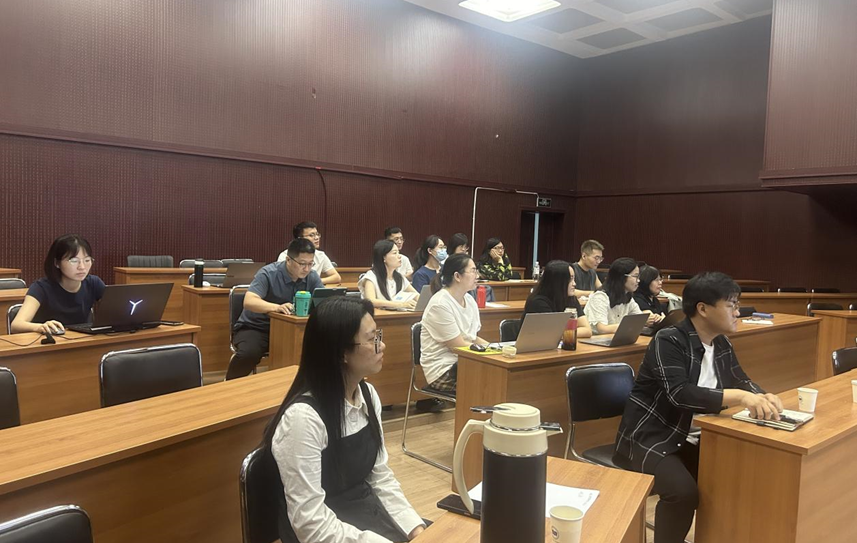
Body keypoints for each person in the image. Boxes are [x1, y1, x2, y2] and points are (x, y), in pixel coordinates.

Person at [613, 272, 783, 543]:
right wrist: (741, 397)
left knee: (739, 477)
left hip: (697, 436)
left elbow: (740, 380)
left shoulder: (721, 342)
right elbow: (680, 394)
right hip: (654, 435)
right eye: (731, 305)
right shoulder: (668, 340)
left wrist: (762, 396)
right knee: (683, 493)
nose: (737, 313)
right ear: (703, 309)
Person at [264, 296, 426, 543]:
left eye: (378, 335)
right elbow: (310, 525)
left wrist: (415, 528)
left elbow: (380, 476)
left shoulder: (368, 395)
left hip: (364, 516)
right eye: (371, 339)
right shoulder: (302, 420)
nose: (382, 345)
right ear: (342, 353)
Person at [228, 238, 324, 380]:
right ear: (288, 260)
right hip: (258, 327)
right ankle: (228, 384)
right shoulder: (268, 273)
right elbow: (249, 301)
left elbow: (322, 301)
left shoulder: (312, 276)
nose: (307, 269)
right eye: (302, 264)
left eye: (311, 264)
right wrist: (277, 307)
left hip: (291, 330)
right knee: (249, 353)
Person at [420, 253, 487, 394]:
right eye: (473, 271)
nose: (477, 276)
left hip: (465, 362)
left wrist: (496, 348)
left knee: (497, 378)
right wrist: (488, 352)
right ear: (457, 276)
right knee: (490, 383)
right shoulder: (440, 304)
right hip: (443, 370)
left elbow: (473, 338)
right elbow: (457, 346)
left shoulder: (469, 300)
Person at [12, 234, 105, 334]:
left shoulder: (94, 283)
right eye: (74, 261)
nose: (82, 267)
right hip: (49, 340)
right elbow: (16, 325)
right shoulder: (41, 287)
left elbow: (114, 309)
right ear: (57, 263)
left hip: (81, 340)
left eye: (87, 260)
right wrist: (40, 327)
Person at [583, 257, 657, 334]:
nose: (638, 280)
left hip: (615, 338)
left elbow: (639, 319)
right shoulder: (600, 297)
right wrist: (629, 325)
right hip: (597, 339)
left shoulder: (627, 296)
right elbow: (602, 329)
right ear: (621, 277)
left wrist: (651, 319)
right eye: (635, 276)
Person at [521, 260, 592, 338]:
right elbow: (552, 334)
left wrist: (566, 333)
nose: (574, 284)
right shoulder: (538, 302)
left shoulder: (571, 299)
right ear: (558, 281)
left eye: (574, 279)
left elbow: (587, 330)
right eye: (570, 279)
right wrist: (570, 332)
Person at [359, 240, 419, 310]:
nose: (399, 256)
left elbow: (417, 295)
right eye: (395, 253)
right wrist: (400, 304)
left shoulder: (399, 277)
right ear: (384, 257)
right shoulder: (371, 277)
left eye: (398, 252)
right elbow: (370, 301)